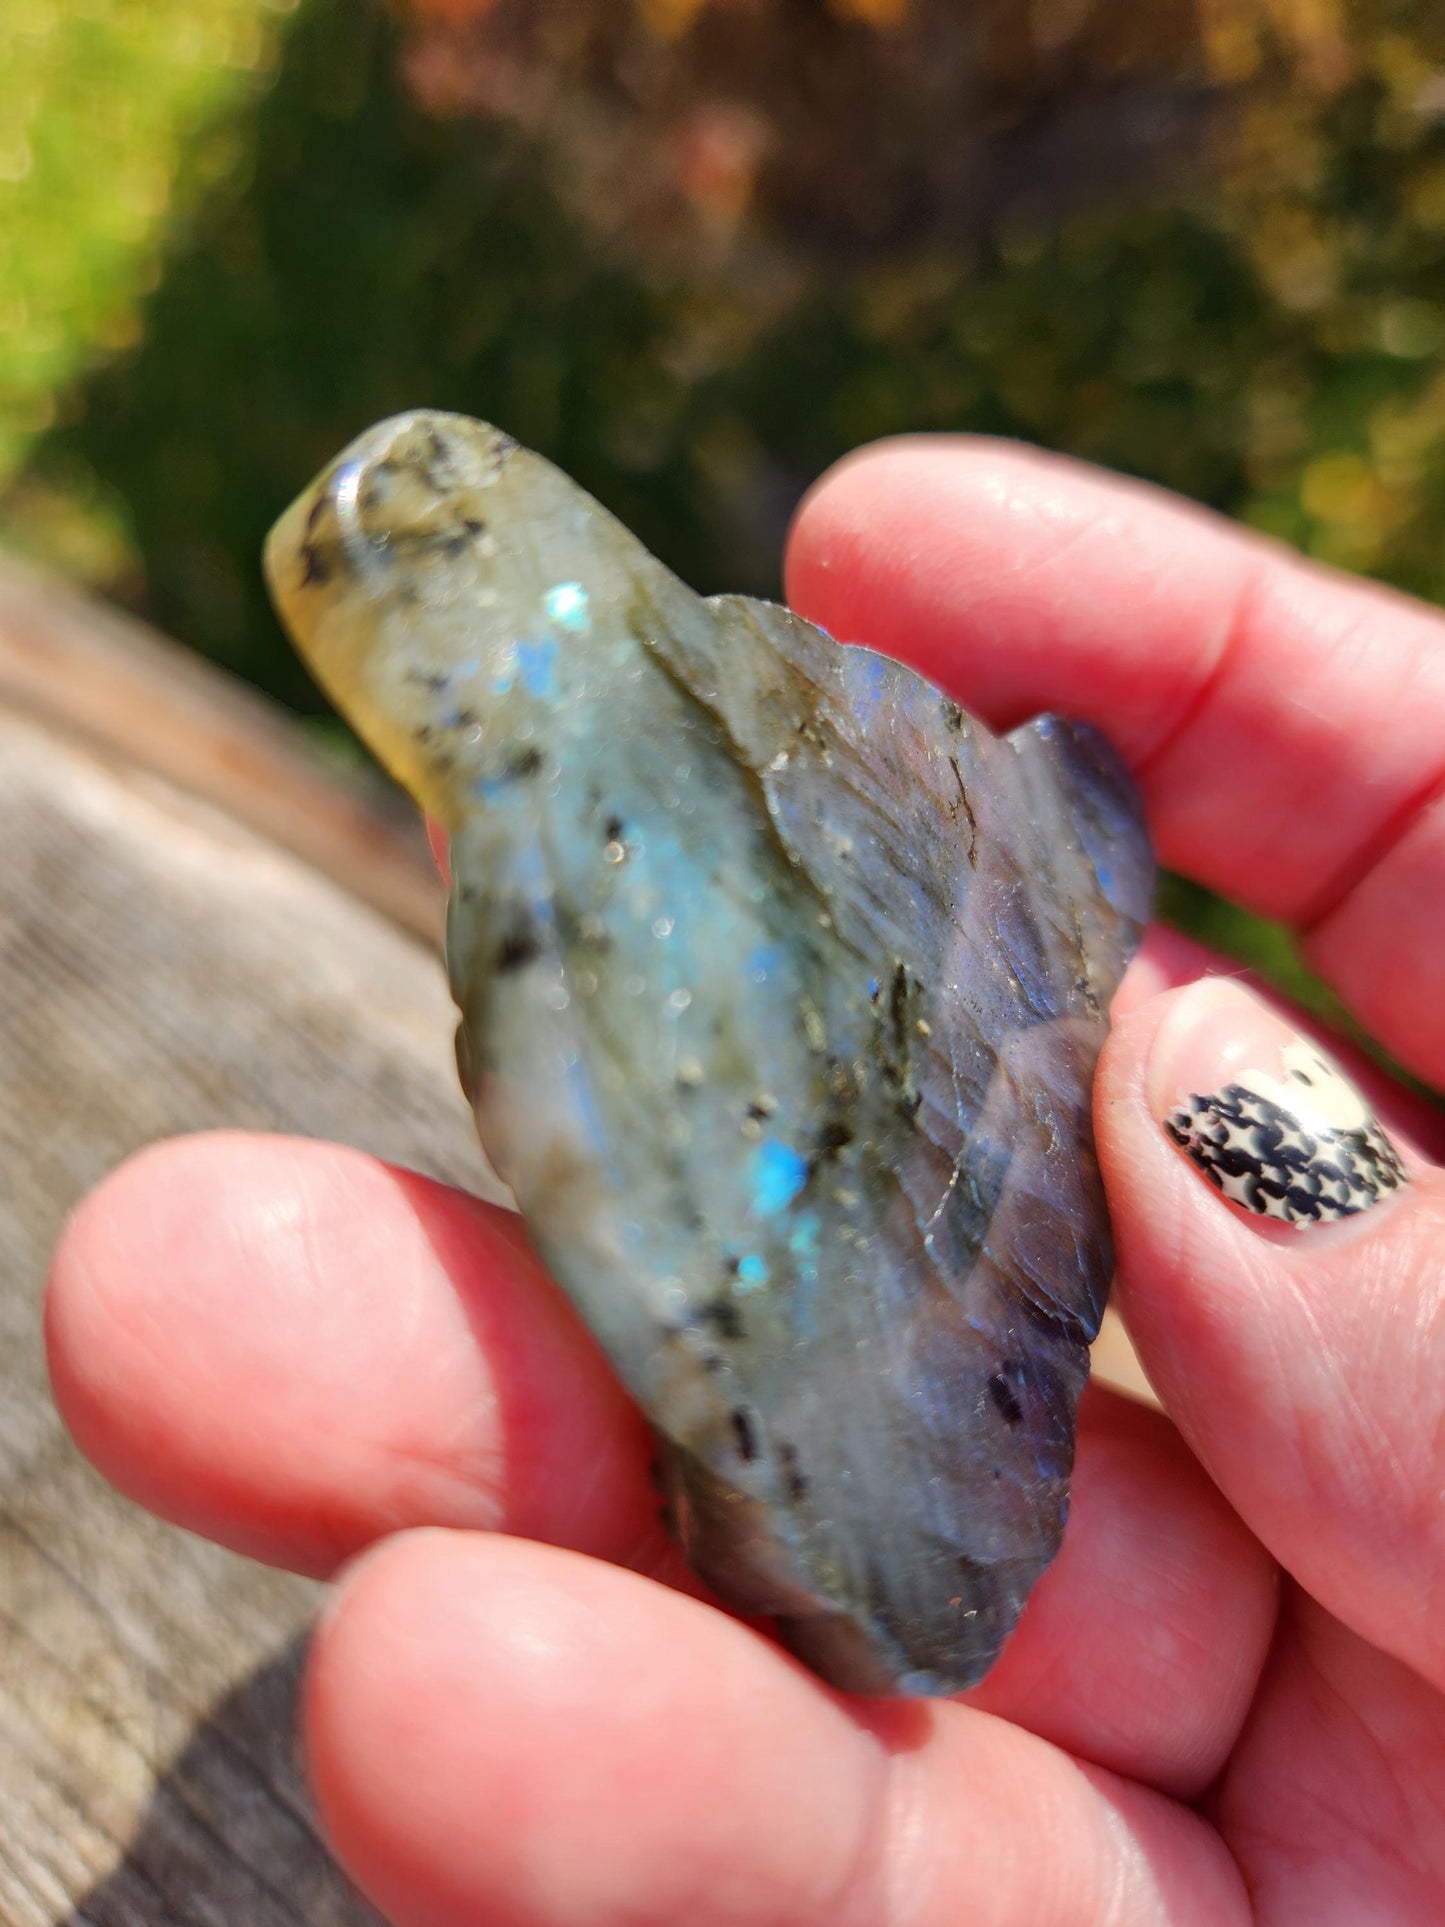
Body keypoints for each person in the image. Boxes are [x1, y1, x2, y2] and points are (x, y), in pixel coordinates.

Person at [44, 438, 1445, 1925]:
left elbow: (1032, 853)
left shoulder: (761, 743)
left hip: (932, 1418)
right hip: (885, 1453)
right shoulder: (591, 863)